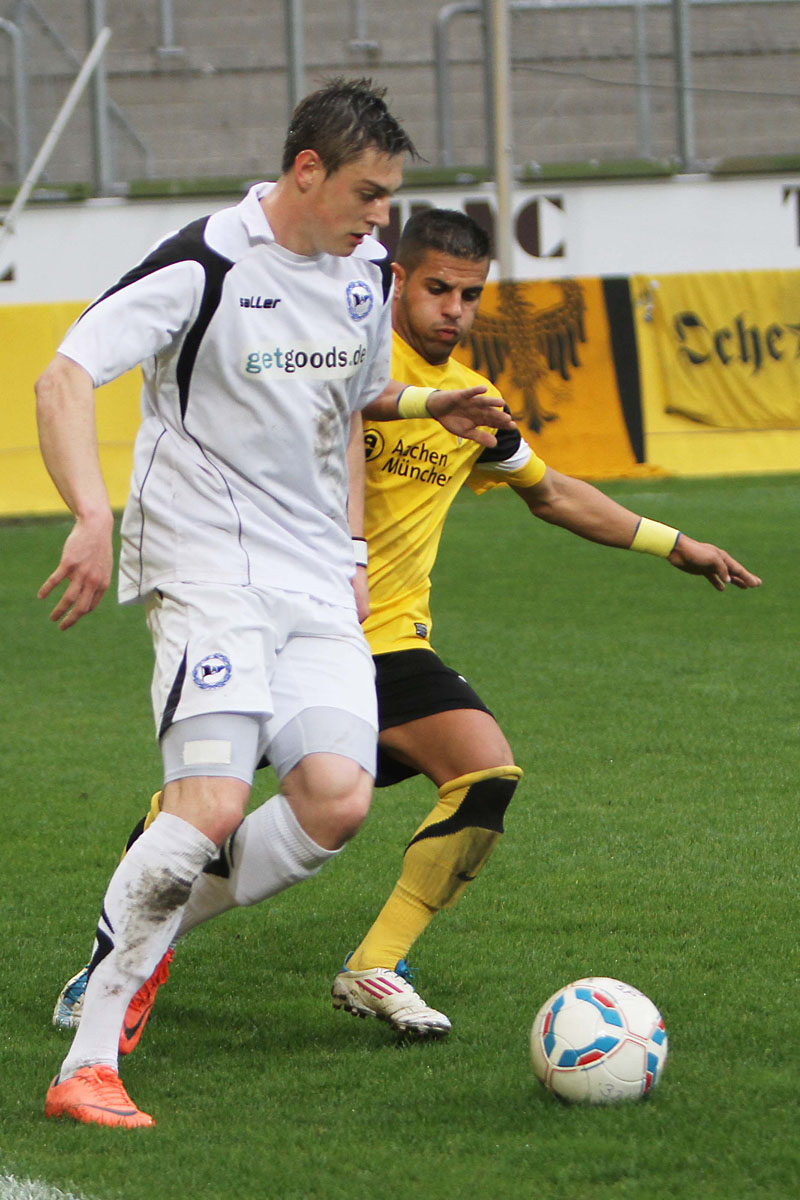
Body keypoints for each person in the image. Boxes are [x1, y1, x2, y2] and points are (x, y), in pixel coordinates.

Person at [52, 209, 762, 1055]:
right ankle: (117, 962)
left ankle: (374, 962)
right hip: (286, 612)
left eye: (471, 294)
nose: (455, 309)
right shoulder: (336, 359)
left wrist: (673, 544)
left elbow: (551, 492)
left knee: (483, 773)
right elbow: (327, 408)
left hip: (387, 641)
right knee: (197, 810)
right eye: (438, 289)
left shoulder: (472, 402)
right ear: (395, 282)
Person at [36, 81, 510, 1131]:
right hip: (206, 570)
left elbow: (350, 401)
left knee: (335, 801)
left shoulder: (365, 271)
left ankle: (146, 936)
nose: (382, 216)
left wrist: (417, 422)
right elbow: (63, 377)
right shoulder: (203, 262)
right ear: (306, 171)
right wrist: (90, 513)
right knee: (206, 807)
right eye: (368, 193)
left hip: (316, 580)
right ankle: (87, 1063)